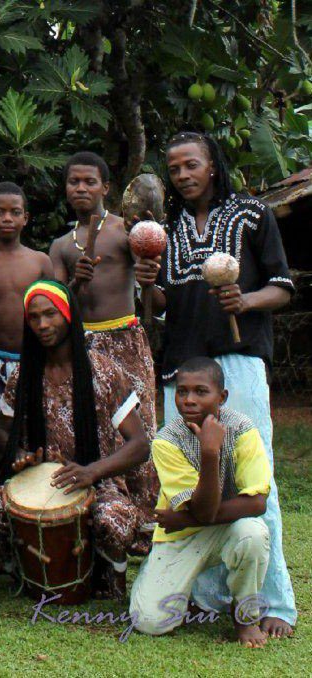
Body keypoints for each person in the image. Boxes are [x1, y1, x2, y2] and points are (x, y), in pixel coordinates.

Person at [134, 131, 296, 637]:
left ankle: (274, 604)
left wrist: (246, 302)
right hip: (181, 369)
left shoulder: (251, 214)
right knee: (188, 482)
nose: (182, 175)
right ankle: (206, 596)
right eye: (174, 168)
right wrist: (147, 286)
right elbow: (165, 305)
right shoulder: (165, 227)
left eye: (191, 165)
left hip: (236, 366)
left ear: (212, 165)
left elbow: (283, 286)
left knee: (251, 480)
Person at [0, 280, 150, 599]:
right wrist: (18, 452)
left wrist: (93, 471)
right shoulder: (24, 374)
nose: (42, 324)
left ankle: (109, 575)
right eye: (35, 317)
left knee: (113, 520)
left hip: (96, 481)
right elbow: (3, 430)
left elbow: (139, 445)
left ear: (68, 314)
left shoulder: (104, 372)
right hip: (40, 482)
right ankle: (27, 570)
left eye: (50, 314)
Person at [130, 357, 271, 648]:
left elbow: (257, 503)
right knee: (150, 622)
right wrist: (209, 453)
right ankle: (168, 586)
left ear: (222, 397)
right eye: (182, 391)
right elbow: (204, 511)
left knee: (253, 533)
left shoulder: (243, 430)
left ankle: (246, 616)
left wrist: (184, 517)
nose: (189, 400)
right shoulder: (167, 440)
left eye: (200, 391)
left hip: (224, 529)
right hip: (181, 537)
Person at [49, 152, 159, 447]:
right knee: (96, 424)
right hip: (82, 344)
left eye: (89, 181)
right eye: (74, 182)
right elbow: (56, 305)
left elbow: (153, 291)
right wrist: (76, 282)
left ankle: (144, 493)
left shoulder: (126, 231)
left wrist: (148, 276)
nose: (81, 188)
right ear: (66, 188)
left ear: (105, 188)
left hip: (125, 339)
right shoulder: (61, 246)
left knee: (139, 421)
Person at [0, 182, 54, 484]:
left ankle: (41, 487)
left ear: (26, 218)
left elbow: (56, 310)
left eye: (14, 212)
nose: (7, 218)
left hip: (34, 359)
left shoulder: (39, 261)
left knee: (36, 426)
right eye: (0, 212)